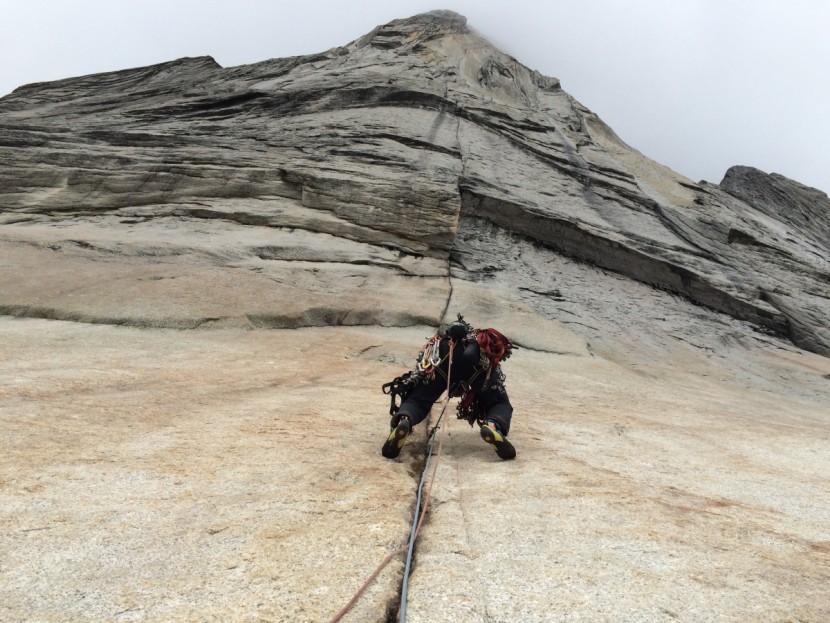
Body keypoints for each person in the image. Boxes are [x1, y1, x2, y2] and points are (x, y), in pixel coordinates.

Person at [381, 315, 517, 460]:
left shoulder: (440, 343)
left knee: (418, 400)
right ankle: (492, 426)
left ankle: (405, 420)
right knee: (498, 402)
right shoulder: (478, 343)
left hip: (442, 358)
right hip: (476, 364)